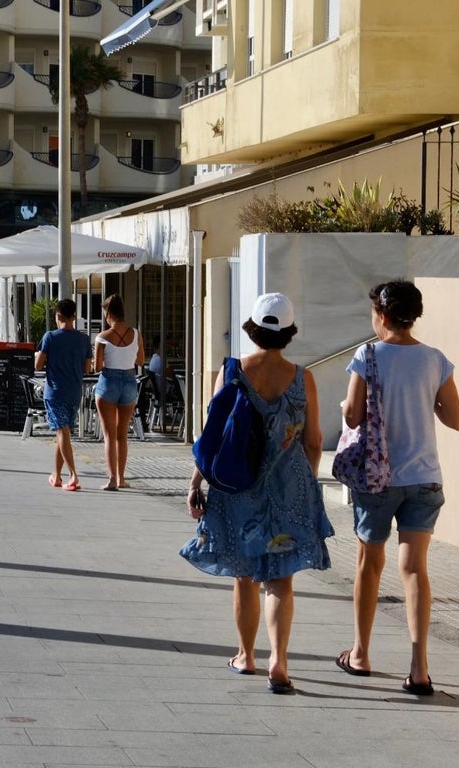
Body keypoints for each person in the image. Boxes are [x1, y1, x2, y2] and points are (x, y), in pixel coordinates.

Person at [180, 292, 331, 695]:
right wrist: (306, 486)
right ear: (289, 331)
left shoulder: (232, 372)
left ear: (252, 326)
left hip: (238, 491)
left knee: (244, 577)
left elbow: (212, 438)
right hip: (289, 488)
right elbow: (314, 441)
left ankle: (245, 655)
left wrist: (196, 483)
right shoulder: (304, 379)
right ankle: (279, 662)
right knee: (281, 580)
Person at [334, 280, 459, 696]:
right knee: (415, 571)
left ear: (383, 316)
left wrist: (346, 407)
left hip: (378, 478)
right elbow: (456, 419)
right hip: (425, 478)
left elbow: (353, 418)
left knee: (369, 565)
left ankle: (361, 654)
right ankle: (420, 668)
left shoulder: (367, 355)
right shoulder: (435, 359)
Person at [34, 298, 93, 492]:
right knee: (63, 432)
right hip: (75, 392)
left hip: (55, 392)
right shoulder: (84, 339)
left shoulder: (50, 337)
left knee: (62, 432)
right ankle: (56, 475)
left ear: (57, 316)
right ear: (74, 316)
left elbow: (38, 365)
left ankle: (73, 474)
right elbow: (87, 368)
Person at [93, 294, 144, 490]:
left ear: (108, 313)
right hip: (130, 381)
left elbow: (97, 367)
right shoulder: (136, 334)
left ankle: (112, 479)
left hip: (108, 383)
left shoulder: (102, 337)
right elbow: (140, 361)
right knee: (122, 435)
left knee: (109, 435)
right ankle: (122, 478)